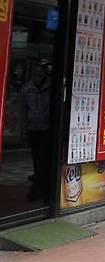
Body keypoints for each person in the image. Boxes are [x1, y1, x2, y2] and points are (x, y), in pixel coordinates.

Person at [20, 59, 52, 201]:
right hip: (33, 128)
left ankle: (39, 185)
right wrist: (23, 130)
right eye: (35, 74)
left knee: (43, 159)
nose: (38, 77)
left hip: (46, 129)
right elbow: (22, 112)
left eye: (40, 74)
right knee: (36, 158)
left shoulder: (51, 89)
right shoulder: (27, 90)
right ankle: (39, 183)